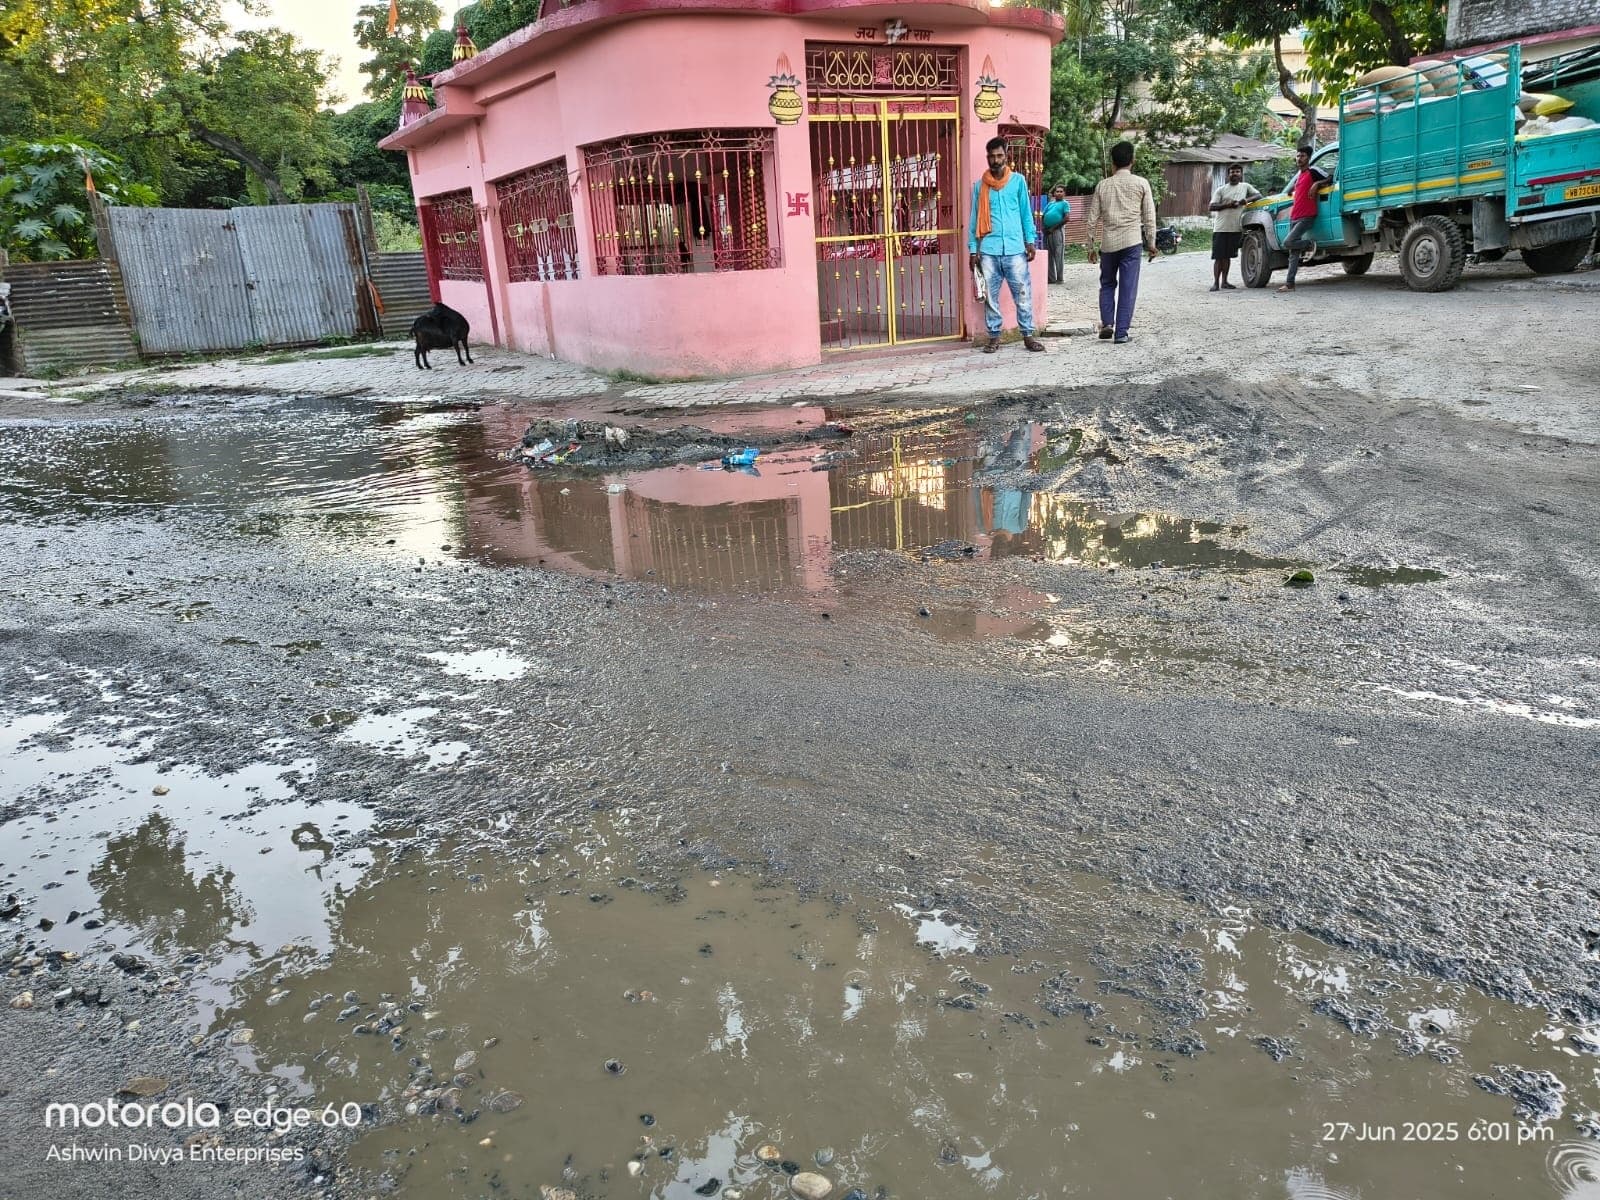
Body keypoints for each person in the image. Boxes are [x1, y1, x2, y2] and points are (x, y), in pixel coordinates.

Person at [968, 136, 1044, 354]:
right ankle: (994, 337)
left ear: (1006, 155)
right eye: (991, 156)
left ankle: (1028, 336)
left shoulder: (1018, 181)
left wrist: (1030, 240)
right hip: (989, 250)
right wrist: (973, 250)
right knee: (991, 298)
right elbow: (974, 220)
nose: (995, 160)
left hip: (1015, 249)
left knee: (1022, 293)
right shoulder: (979, 187)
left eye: (999, 155)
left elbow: (1025, 213)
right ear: (987, 157)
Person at [1084, 141, 1157, 345]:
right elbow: (1149, 217)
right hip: (1132, 243)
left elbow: (1092, 219)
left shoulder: (1102, 185)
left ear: (1113, 162)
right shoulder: (1142, 184)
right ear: (1132, 161)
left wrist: (1090, 247)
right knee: (1128, 287)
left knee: (1107, 284)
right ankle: (1122, 332)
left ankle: (1107, 323)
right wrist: (1151, 242)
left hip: (1108, 245)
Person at [1278, 145, 1327, 293]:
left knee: (1288, 242)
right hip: (1294, 216)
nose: (1299, 159)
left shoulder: (1313, 171)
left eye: (1303, 156)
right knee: (1293, 253)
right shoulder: (1299, 176)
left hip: (1307, 216)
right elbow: (1294, 192)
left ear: (1309, 158)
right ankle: (1290, 284)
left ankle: (1310, 244)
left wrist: (1317, 184)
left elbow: (1330, 178)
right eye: (1298, 156)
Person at [1208, 163, 1260, 291]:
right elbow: (1211, 206)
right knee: (1218, 257)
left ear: (1241, 174)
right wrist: (1228, 205)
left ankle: (1225, 282)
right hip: (1221, 228)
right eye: (1232, 172)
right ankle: (1215, 283)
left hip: (1236, 228)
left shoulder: (1245, 186)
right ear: (1228, 175)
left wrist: (1245, 201)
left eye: (1237, 172)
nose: (1235, 174)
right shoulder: (1221, 189)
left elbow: (1259, 196)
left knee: (1228, 256)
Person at [1042, 185, 1072, 285]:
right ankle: (1051, 278)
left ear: (1064, 193)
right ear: (1054, 193)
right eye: (1057, 191)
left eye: (1061, 191)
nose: (1058, 193)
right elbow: (1043, 215)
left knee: (1058, 254)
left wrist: (1053, 228)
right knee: (1049, 255)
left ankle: (1060, 278)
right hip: (1047, 232)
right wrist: (1044, 227)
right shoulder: (1050, 204)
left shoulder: (1065, 204)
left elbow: (1067, 218)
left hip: (1057, 231)